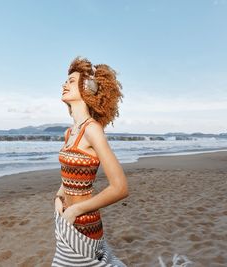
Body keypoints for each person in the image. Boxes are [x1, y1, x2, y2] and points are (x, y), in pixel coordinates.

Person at [52, 56, 128, 266]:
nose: (64, 84)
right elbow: (69, 175)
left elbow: (120, 188)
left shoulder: (92, 129)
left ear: (86, 88)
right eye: (65, 81)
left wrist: (76, 210)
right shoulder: (70, 133)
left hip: (84, 225)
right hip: (65, 220)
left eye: (71, 81)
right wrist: (59, 197)